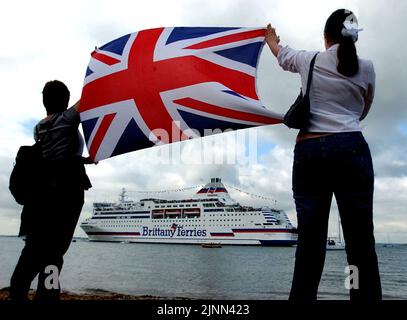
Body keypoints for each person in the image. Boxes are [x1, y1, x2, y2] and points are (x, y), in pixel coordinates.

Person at [265, 9, 381, 301]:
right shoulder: (366, 67)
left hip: (310, 154)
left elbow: (282, 55)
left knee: (310, 246)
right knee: (360, 244)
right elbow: (362, 109)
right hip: (352, 150)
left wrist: (271, 40)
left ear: (326, 37)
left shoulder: (309, 60)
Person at [10, 80, 95, 301]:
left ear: (44, 101)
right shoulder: (66, 120)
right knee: (52, 253)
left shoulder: (39, 127)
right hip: (64, 196)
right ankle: (41, 294)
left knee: (38, 248)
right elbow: (90, 98)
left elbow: (54, 158)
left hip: (42, 195)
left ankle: (24, 291)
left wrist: (82, 160)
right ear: (66, 100)